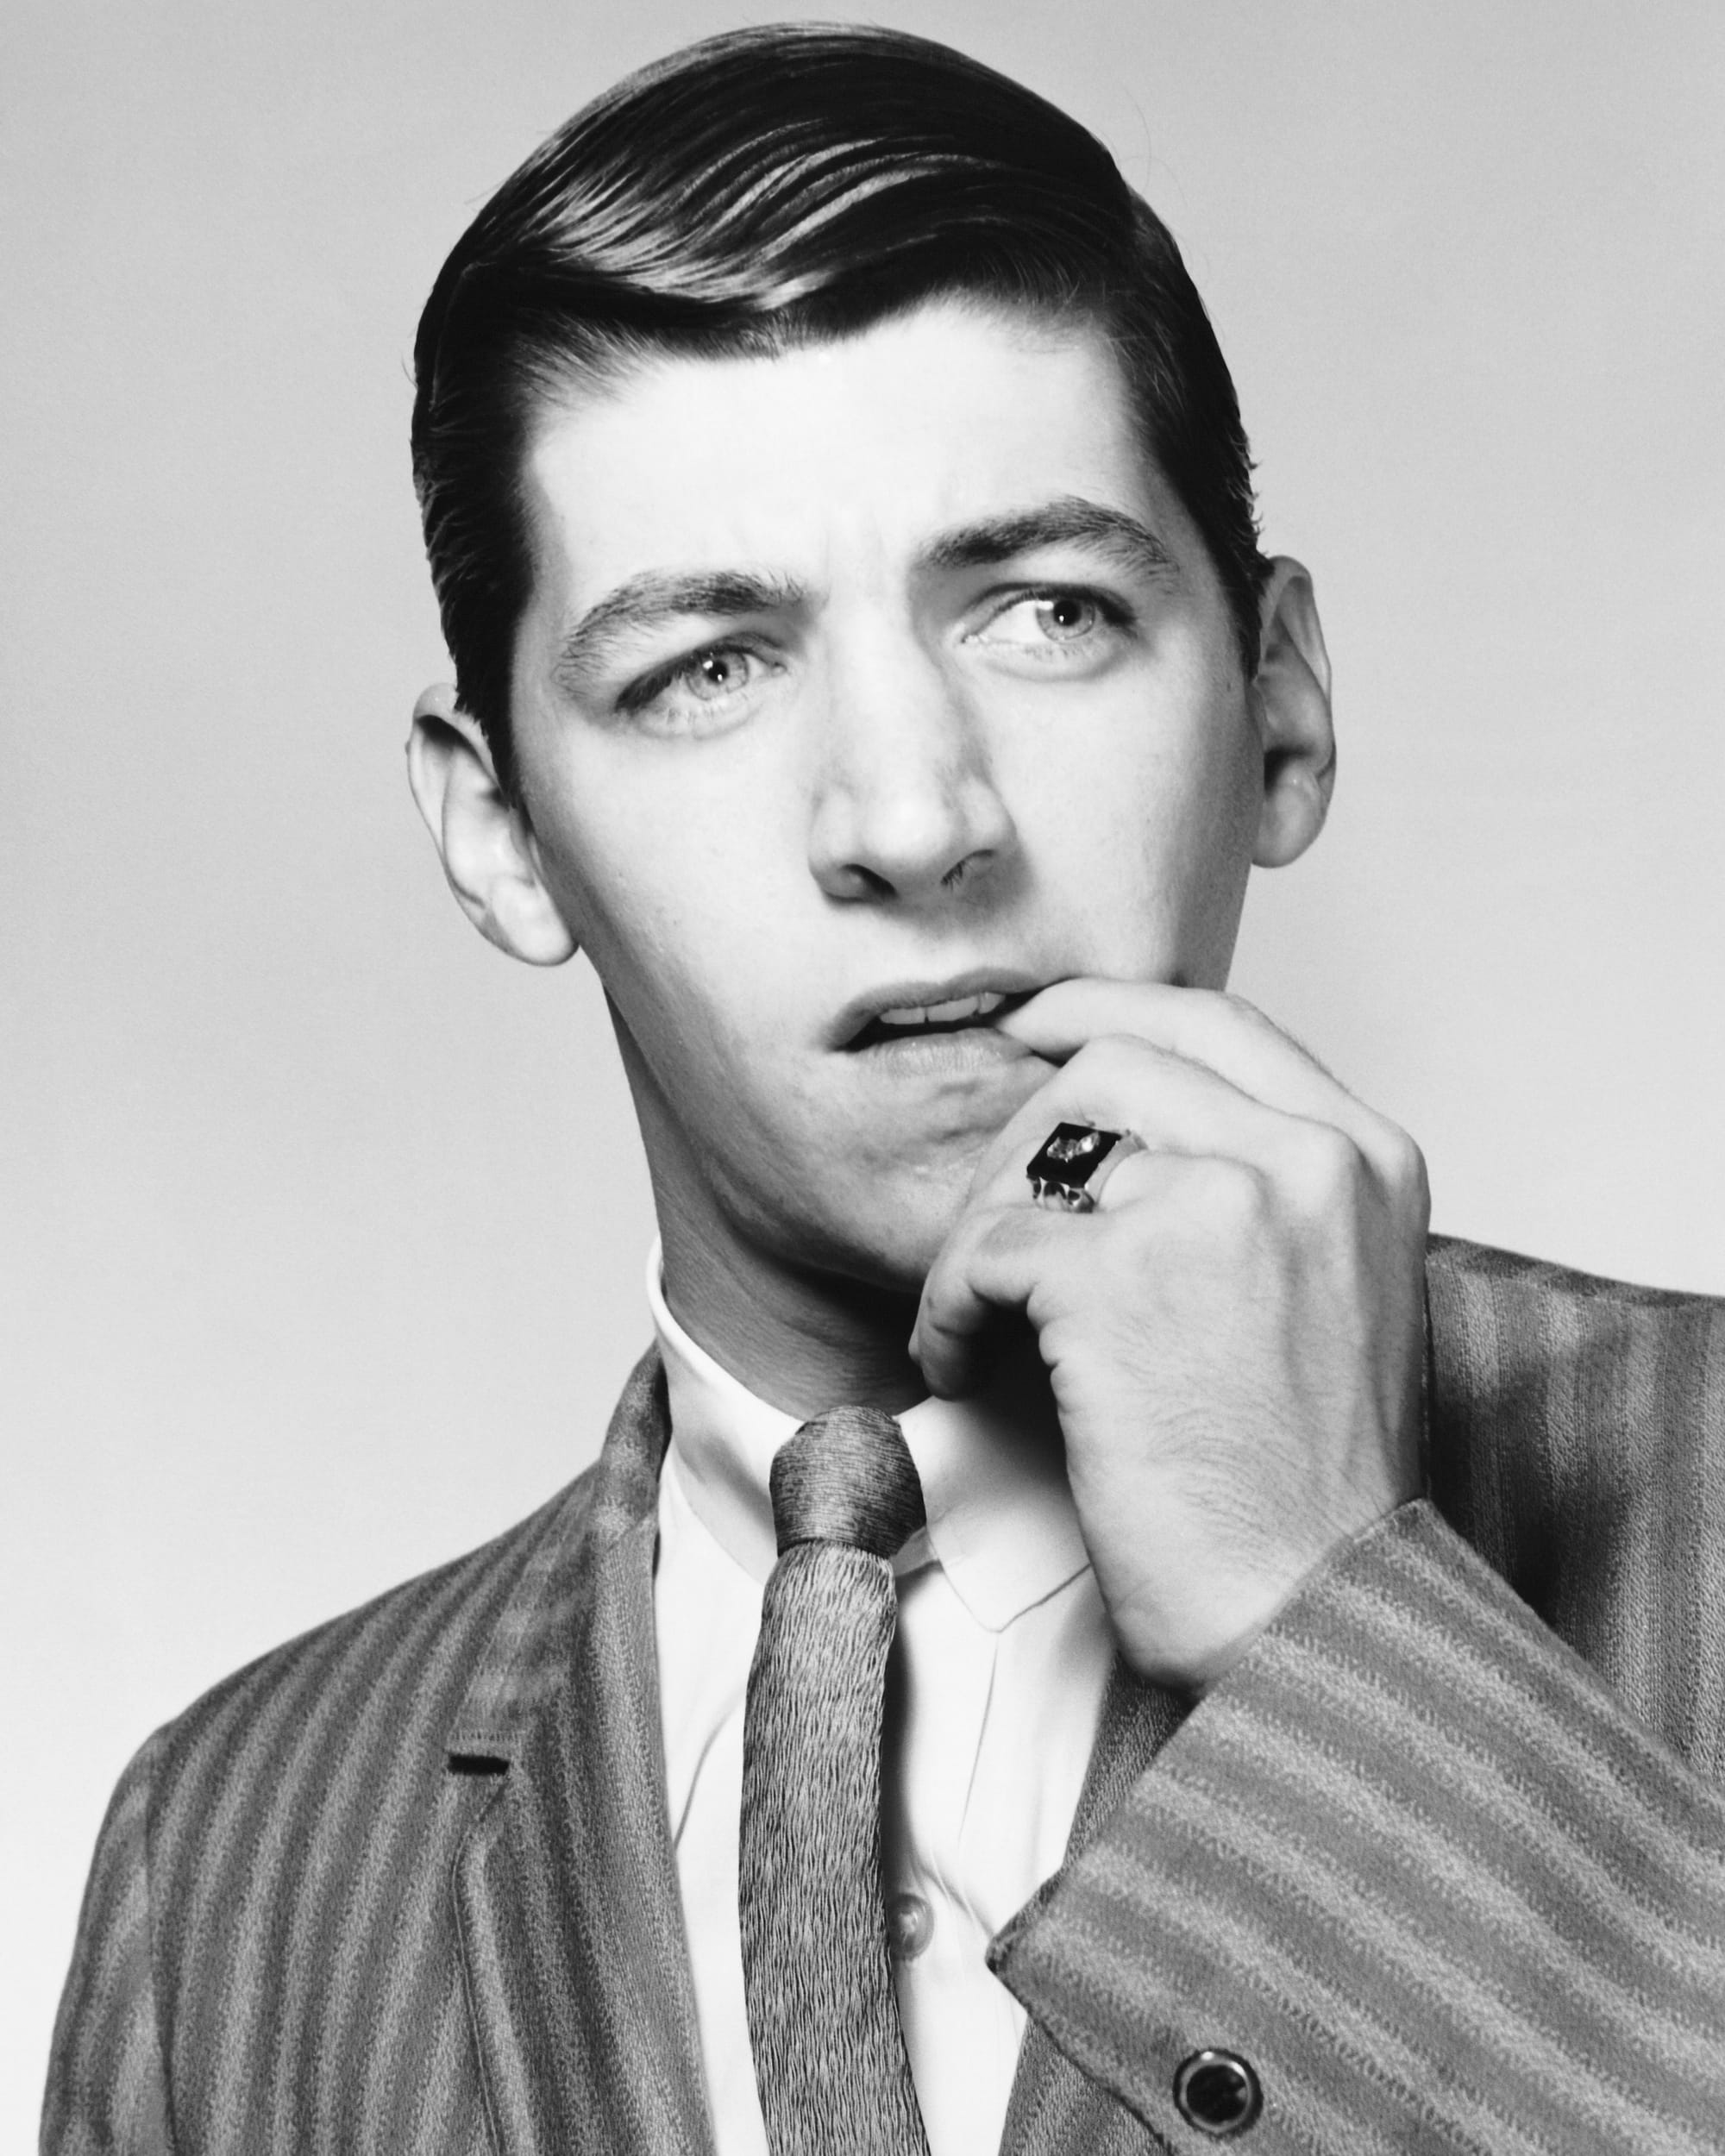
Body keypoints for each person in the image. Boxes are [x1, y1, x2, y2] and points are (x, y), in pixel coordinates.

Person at [42, 23, 1725, 2156]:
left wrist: (1336, 1645)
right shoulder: (240, 1858)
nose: (914, 817)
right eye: (705, 670)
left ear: (1282, 706)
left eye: (1042, 609)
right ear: (499, 830)